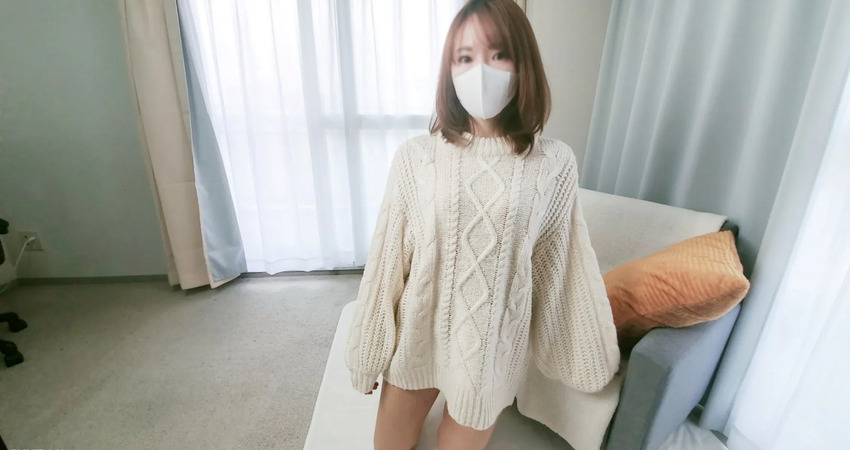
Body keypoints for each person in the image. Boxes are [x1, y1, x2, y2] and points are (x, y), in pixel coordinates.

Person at [344, 0, 620, 449]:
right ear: (449, 71)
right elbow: (388, 259)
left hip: (488, 355)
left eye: (498, 54)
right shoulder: (417, 157)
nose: (481, 71)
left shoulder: (554, 163)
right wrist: (369, 350)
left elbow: (561, 265)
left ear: (523, 63)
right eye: (465, 57)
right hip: (418, 337)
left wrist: (587, 355)